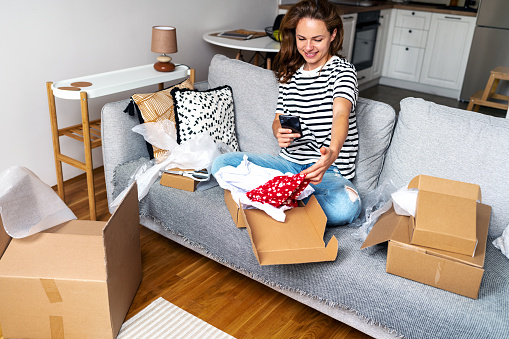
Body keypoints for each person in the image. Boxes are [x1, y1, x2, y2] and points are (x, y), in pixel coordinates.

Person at [212, 0, 361, 225]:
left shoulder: (343, 72)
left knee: (345, 208)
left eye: (317, 39)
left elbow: (341, 113)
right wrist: (278, 131)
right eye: (302, 39)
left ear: (333, 35)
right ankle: (288, 198)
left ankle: (274, 199)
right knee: (221, 164)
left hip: (327, 172)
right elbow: (277, 119)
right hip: (288, 167)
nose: (308, 47)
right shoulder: (291, 74)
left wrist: (332, 151)